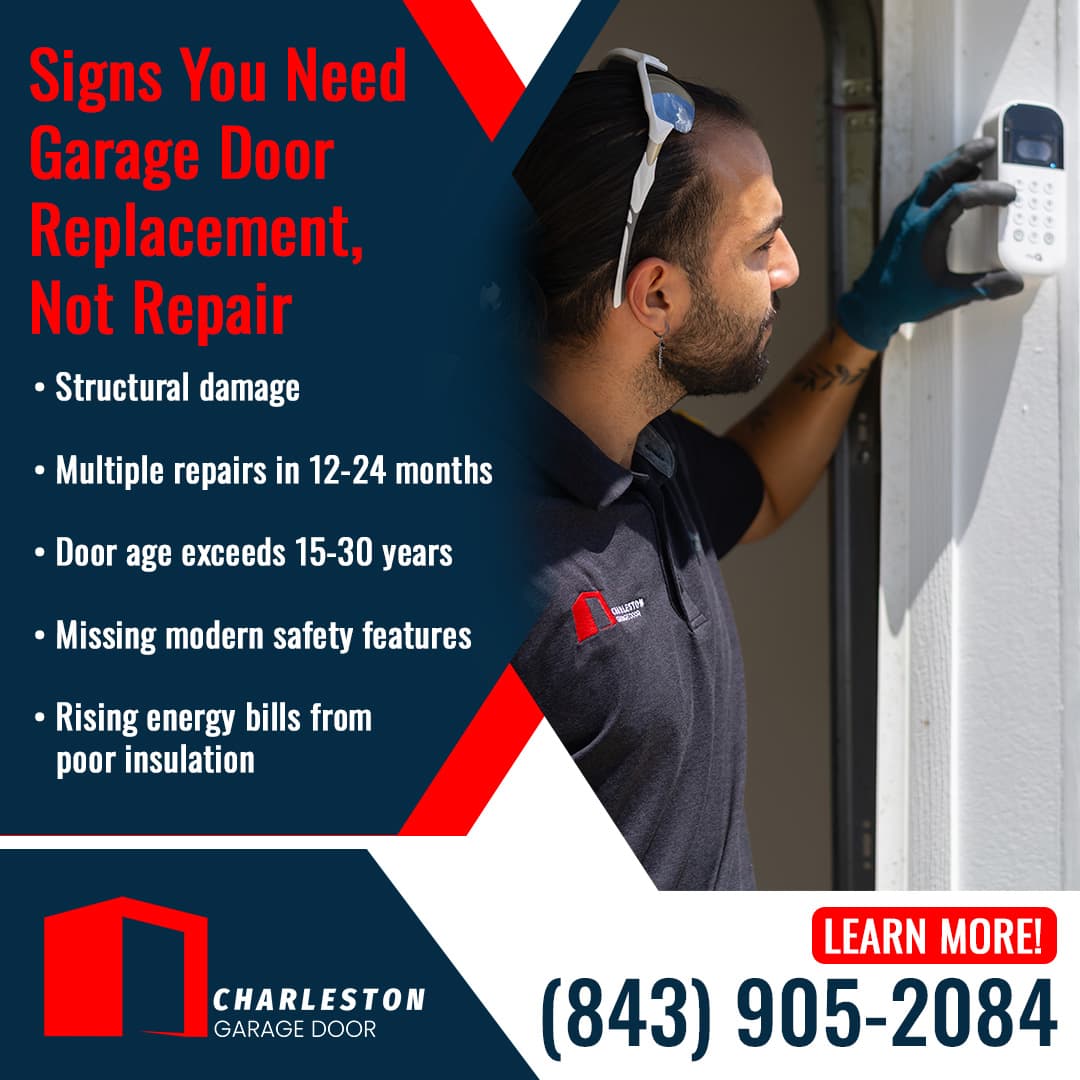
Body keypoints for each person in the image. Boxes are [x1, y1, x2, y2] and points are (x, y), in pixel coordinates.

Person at [509, 50, 1023, 890]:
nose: (787, 267)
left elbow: (761, 486)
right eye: (759, 246)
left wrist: (869, 320)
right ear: (659, 297)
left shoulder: (647, 453)